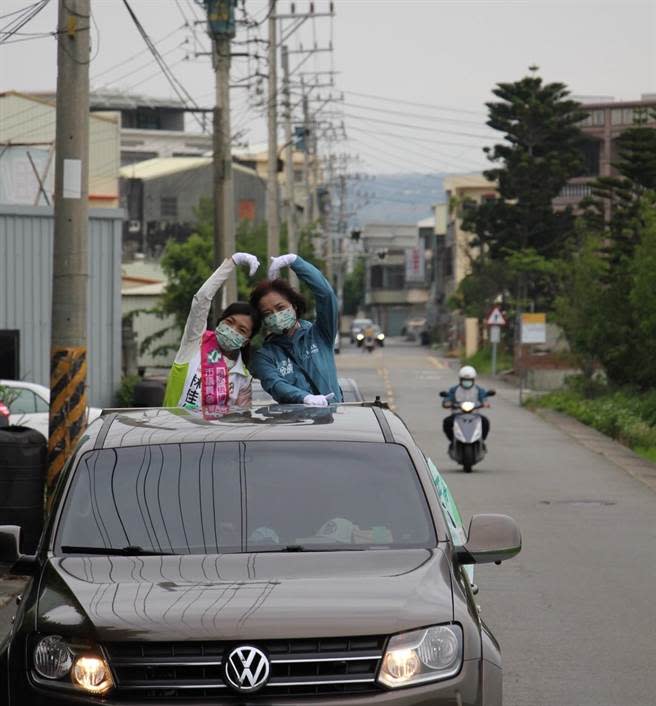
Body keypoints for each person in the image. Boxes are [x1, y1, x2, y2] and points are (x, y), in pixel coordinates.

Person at [163, 252, 261, 412]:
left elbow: (241, 422)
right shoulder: (195, 343)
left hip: (212, 438)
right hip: (170, 435)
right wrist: (232, 262)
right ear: (220, 321)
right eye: (229, 322)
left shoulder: (243, 378)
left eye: (241, 330)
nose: (232, 330)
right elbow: (201, 300)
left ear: (246, 340)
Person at [249, 253, 342, 406]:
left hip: (335, 421)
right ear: (262, 320)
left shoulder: (319, 334)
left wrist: (295, 261)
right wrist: (304, 397)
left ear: (294, 306)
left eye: (280, 308)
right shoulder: (264, 357)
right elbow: (275, 384)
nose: (276, 316)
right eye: (267, 313)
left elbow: (326, 295)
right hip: (296, 425)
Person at [442, 365, 491, 443]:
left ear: (473, 380)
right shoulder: (454, 389)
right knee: (447, 422)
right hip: (457, 414)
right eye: (464, 380)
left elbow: (483, 397)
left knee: (485, 422)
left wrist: (485, 403)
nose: (467, 382)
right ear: (460, 380)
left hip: (474, 414)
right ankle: (453, 441)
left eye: (469, 380)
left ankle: (482, 441)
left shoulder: (478, 389)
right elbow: (448, 398)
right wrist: (447, 403)